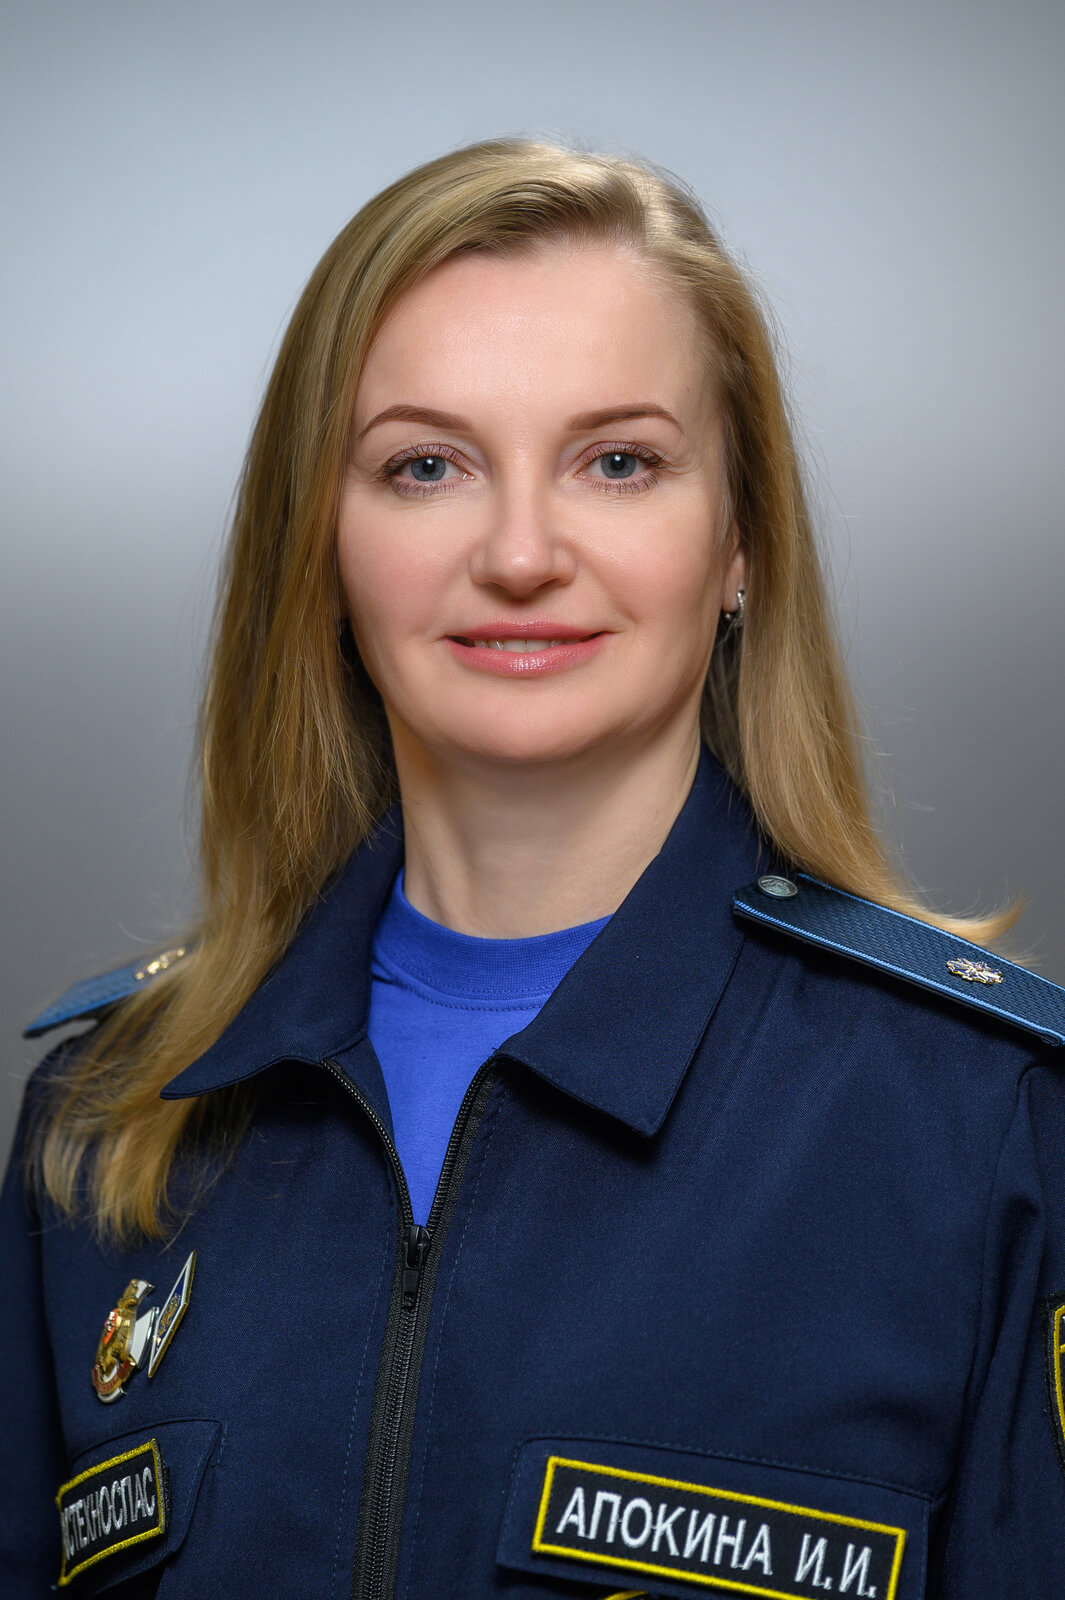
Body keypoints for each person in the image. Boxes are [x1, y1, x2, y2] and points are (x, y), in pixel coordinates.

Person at [2, 137, 1064, 1600]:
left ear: (740, 541)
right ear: (321, 544)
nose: (518, 553)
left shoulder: (987, 1122)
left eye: (617, 462)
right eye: (424, 466)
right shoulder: (105, 1117)